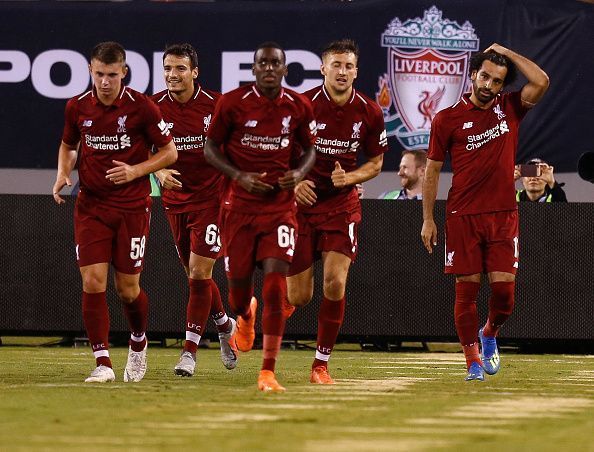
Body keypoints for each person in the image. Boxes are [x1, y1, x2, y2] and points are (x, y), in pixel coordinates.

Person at [421, 43, 549, 381]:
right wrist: (428, 218)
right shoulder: (446, 119)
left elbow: (542, 80)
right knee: (467, 292)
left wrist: (507, 51)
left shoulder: (510, 107)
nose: (488, 85)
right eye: (484, 76)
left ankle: (489, 332)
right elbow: (431, 171)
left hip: (504, 214)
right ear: (473, 75)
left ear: (502, 86)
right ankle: (472, 362)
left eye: (496, 81)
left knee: (505, 297)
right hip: (462, 214)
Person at [52, 41, 177, 383]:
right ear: (90, 72)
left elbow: (170, 153)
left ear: (124, 72)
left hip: (132, 207)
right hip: (91, 205)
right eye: (98, 74)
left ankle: (138, 343)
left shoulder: (143, 108)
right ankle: (103, 362)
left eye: (111, 74)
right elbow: (67, 145)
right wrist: (63, 172)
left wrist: (137, 171)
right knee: (93, 282)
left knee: (128, 289)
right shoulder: (77, 107)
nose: (105, 81)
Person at [204, 41, 317, 392]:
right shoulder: (232, 103)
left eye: (276, 64)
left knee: (274, 285)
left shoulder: (298, 106)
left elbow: (310, 149)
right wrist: (238, 175)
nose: (269, 68)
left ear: (285, 69)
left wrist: (299, 173)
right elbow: (210, 148)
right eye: (263, 64)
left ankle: (268, 371)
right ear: (253, 69)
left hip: (280, 210)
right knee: (238, 295)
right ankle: (245, 315)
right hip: (238, 210)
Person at [287, 39, 388, 384]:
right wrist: (294, 184)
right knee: (299, 295)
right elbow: (279, 151)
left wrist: (352, 178)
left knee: (335, 281)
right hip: (302, 206)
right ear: (323, 68)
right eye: (336, 65)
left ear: (356, 71)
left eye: (348, 66)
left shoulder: (370, 111)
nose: (342, 71)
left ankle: (320, 364)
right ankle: (265, 315)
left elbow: (376, 162)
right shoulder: (303, 106)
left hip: (342, 206)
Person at [151, 43, 238, 377]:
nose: (173, 75)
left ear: (195, 72)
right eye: (169, 69)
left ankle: (188, 352)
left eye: (181, 69)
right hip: (174, 202)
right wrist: (157, 171)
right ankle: (224, 324)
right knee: (195, 275)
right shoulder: (154, 107)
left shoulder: (216, 106)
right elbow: (143, 146)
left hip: (212, 201)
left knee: (200, 273)